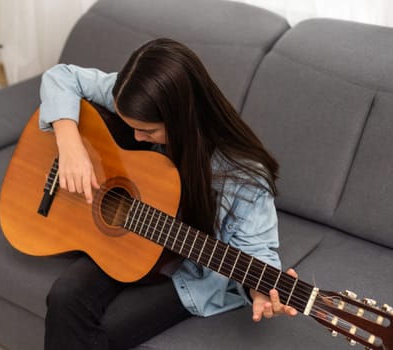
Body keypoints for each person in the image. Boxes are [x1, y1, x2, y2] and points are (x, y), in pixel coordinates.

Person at [39, 38, 298, 350]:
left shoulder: (242, 173)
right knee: (65, 297)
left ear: (183, 118)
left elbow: (259, 249)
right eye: (129, 125)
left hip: (182, 267)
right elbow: (61, 76)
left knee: (104, 329)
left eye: (148, 132)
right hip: (122, 240)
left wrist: (260, 289)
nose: (137, 137)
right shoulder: (134, 99)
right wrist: (69, 145)